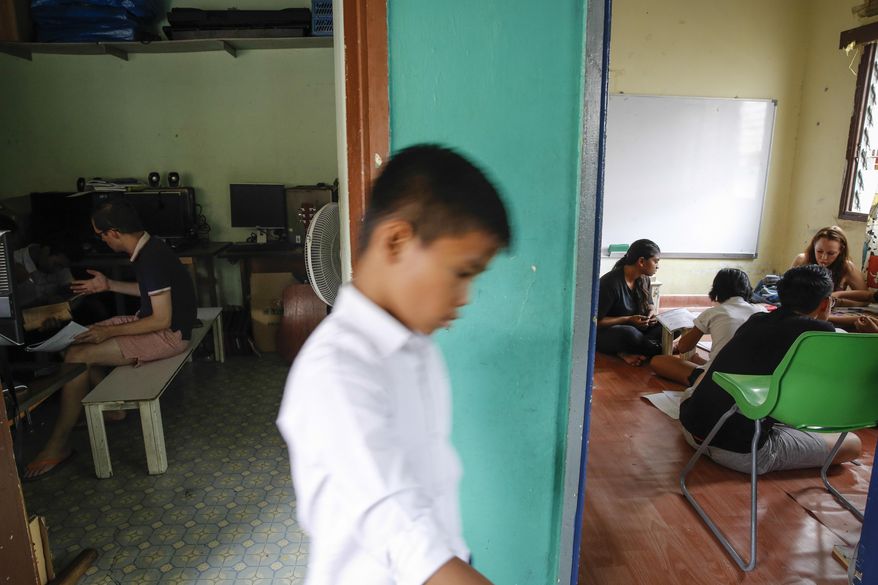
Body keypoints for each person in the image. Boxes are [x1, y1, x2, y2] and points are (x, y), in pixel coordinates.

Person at [277, 144, 509, 585]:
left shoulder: (415, 346)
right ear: (397, 241)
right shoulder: (335, 372)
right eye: (462, 273)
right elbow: (403, 534)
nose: (465, 297)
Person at [24, 201, 197, 480]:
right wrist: (108, 285)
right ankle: (112, 411)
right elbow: (151, 292)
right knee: (77, 341)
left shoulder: (151, 257)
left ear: (114, 232)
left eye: (100, 234)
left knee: (77, 355)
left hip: (168, 336)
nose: (101, 240)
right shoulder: (148, 247)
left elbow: (161, 321)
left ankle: (58, 445)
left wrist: (109, 333)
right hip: (154, 323)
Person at [678, 264, 861, 475]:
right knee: (852, 443)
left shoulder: (757, 320)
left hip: (692, 428)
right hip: (742, 451)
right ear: (825, 303)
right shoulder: (818, 333)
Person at [651, 268, 764, 386]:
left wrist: (678, 344)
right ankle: (699, 363)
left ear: (717, 289)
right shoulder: (761, 311)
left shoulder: (714, 312)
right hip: (754, 377)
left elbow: (684, 347)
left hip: (719, 377)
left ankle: (699, 378)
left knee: (658, 361)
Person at [596, 239, 662, 366]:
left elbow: (650, 304)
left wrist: (651, 314)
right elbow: (596, 322)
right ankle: (650, 348)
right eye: (656, 261)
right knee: (631, 334)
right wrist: (628, 319)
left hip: (637, 328)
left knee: (669, 327)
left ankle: (645, 347)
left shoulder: (644, 279)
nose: (657, 266)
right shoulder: (610, 283)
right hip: (610, 332)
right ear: (641, 261)